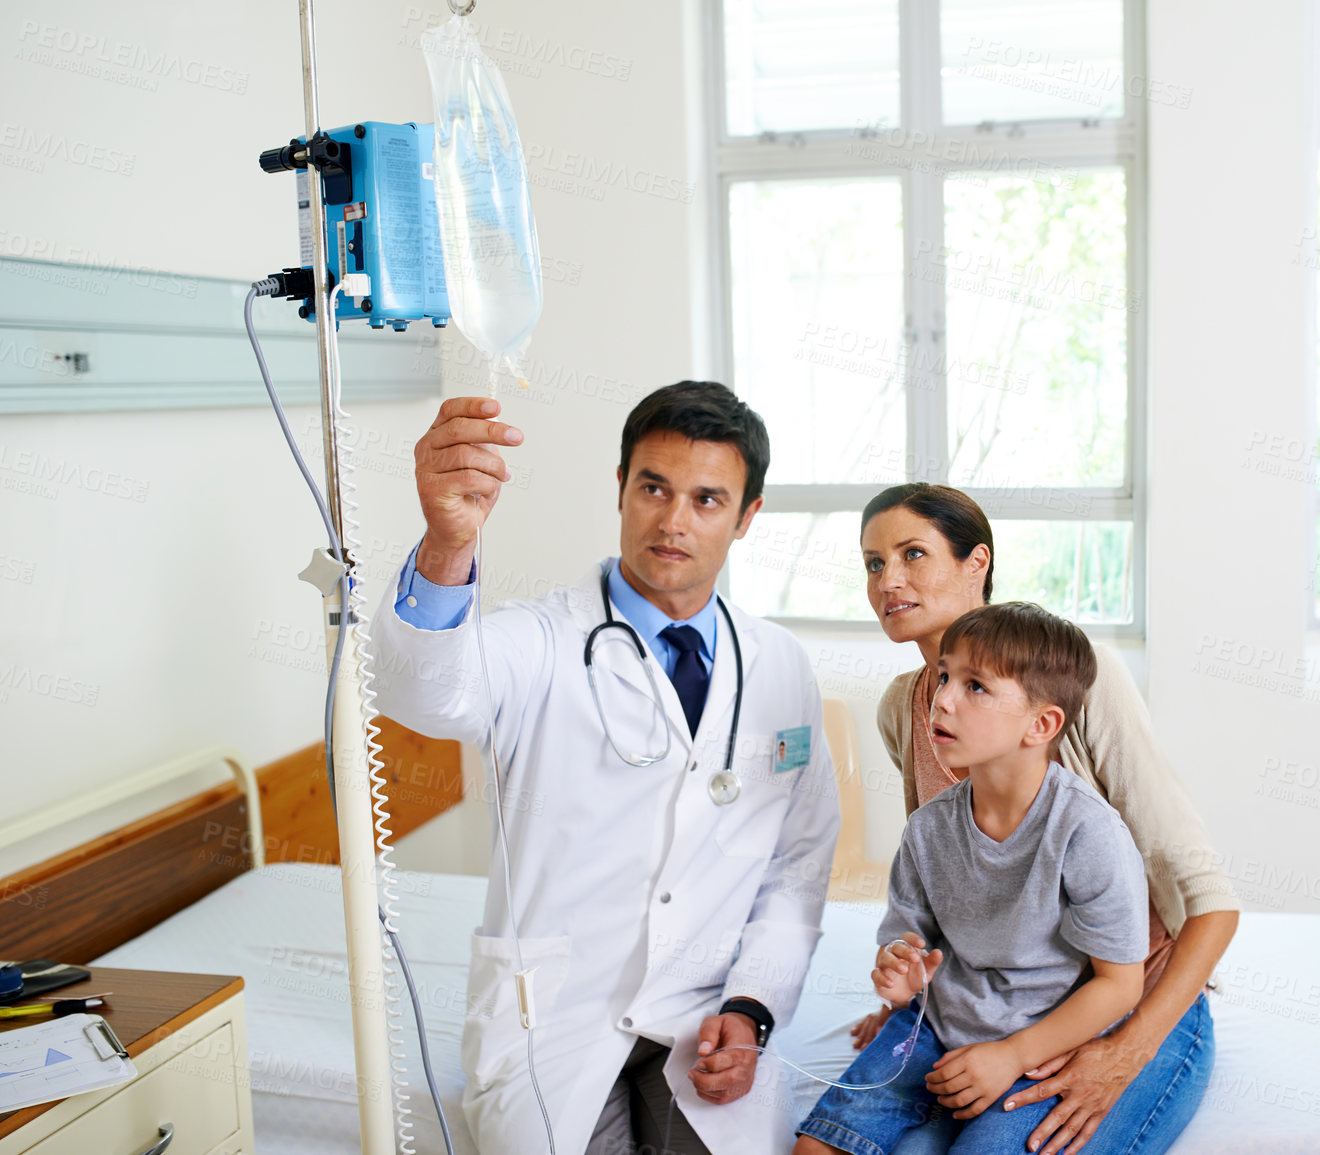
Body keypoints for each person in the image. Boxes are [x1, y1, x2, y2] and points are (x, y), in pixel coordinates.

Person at [372, 382, 841, 1155]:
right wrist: (448, 541)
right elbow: (427, 692)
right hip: (552, 1015)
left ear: (747, 516)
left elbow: (795, 869)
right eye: (652, 487)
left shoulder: (779, 665)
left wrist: (752, 1006)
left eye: (706, 499)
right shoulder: (542, 639)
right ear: (620, 487)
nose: (673, 520)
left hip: (704, 1008)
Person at [854, 483, 1239, 1155]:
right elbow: (946, 888)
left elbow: (1209, 899)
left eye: (912, 554)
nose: (889, 580)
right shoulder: (901, 708)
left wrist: (1125, 1050)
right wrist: (908, 999)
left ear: (978, 564)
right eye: (873, 562)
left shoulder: (1075, 679)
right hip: (998, 1006)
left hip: (1129, 994)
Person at [795, 602, 1150, 1155]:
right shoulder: (928, 829)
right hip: (933, 1028)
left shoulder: (1087, 832)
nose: (943, 699)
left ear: (1042, 724)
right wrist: (900, 973)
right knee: (817, 1148)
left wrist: (1012, 1055)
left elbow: (1121, 984)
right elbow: (907, 939)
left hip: (1038, 1034)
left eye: (976, 686)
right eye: (944, 677)